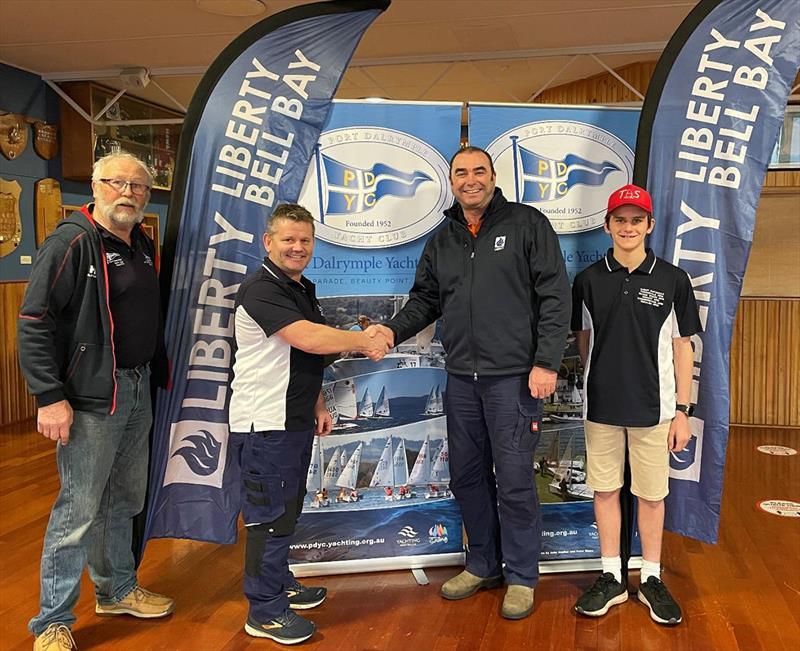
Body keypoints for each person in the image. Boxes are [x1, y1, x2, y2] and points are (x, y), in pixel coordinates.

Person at [370, 146, 571, 620]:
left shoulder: (527, 224)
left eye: (478, 171)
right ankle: (483, 563)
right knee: (467, 476)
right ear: (452, 182)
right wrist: (390, 331)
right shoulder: (444, 238)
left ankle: (521, 576)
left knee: (517, 480)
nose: (470, 179)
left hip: (514, 380)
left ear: (493, 176)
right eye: (461, 173)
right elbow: (425, 300)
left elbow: (555, 296)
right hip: (461, 379)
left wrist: (545, 362)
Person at [17, 152, 173, 651]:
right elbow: (35, 320)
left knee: (124, 500)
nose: (127, 193)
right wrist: (49, 397)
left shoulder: (141, 243)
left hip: (136, 388)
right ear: (95, 185)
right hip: (88, 398)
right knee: (78, 508)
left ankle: (117, 590)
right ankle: (52, 621)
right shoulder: (71, 241)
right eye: (117, 183)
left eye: (138, 187)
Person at [228, 203, 389, 645]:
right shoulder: (261, 288)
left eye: (305, 240)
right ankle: (264, 611)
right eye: (288, 239)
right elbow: (307, 337)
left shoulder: (300, 288)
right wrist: (364, 339)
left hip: (294, 420)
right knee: (270, 518)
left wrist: (318, 403)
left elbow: (309, 355)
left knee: (288, 509)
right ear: (269, 242)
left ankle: (280, 584)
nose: (297, 247)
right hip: (265, 424)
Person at [571, 184, 701, 626]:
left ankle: (651, 577)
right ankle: (610, 576)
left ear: (650, 225)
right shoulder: (587, 280)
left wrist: (684, 409)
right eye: (620, 220)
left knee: (651, 496)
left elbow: (684, 348)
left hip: (656, 409)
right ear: (607, 225)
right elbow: (582, 338)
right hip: (602, 408)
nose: (628, 227)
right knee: (605, 490)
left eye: (636, 220)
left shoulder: (672, 279)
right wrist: (597, 376)